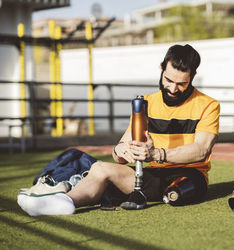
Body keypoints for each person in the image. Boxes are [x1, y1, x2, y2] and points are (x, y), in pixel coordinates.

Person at [17, 44, 220, 216]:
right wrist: (122, 150)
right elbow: (119, 153)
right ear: (161, 69)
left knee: (182, 189)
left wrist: (156, 153)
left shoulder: (208, 105)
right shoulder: (146, 103)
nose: (173, 89)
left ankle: (63, 196)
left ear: (192, 76)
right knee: (99, 168)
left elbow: (201, 149)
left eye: (181, 84)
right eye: (168, 80)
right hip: (150, 175)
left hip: (189, 176)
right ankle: (63, 201)